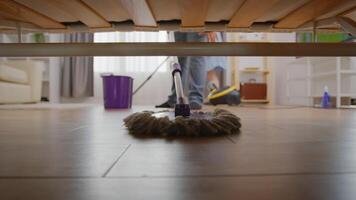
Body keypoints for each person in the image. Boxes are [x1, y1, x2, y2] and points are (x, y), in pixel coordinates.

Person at [156, 32, 227, 110]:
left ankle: (195, 100)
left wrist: (211, 26)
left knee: (196, 55)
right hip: (177, 20)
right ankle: (175, 99)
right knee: (179, 57)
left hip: (197, 21)